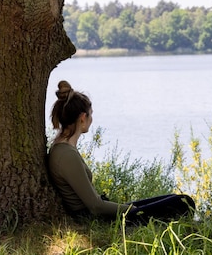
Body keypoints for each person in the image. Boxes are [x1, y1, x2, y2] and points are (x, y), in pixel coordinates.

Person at [47, 80, 195, 225]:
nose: (92, 119)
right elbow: (95, 206)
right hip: (95, 218)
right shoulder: (66, 155)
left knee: (173, 198)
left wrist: (134, 208)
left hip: (96, 212)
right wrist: (133, 210)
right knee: (183, 202)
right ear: (83, 118)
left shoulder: (63, 148)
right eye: (91, 114)